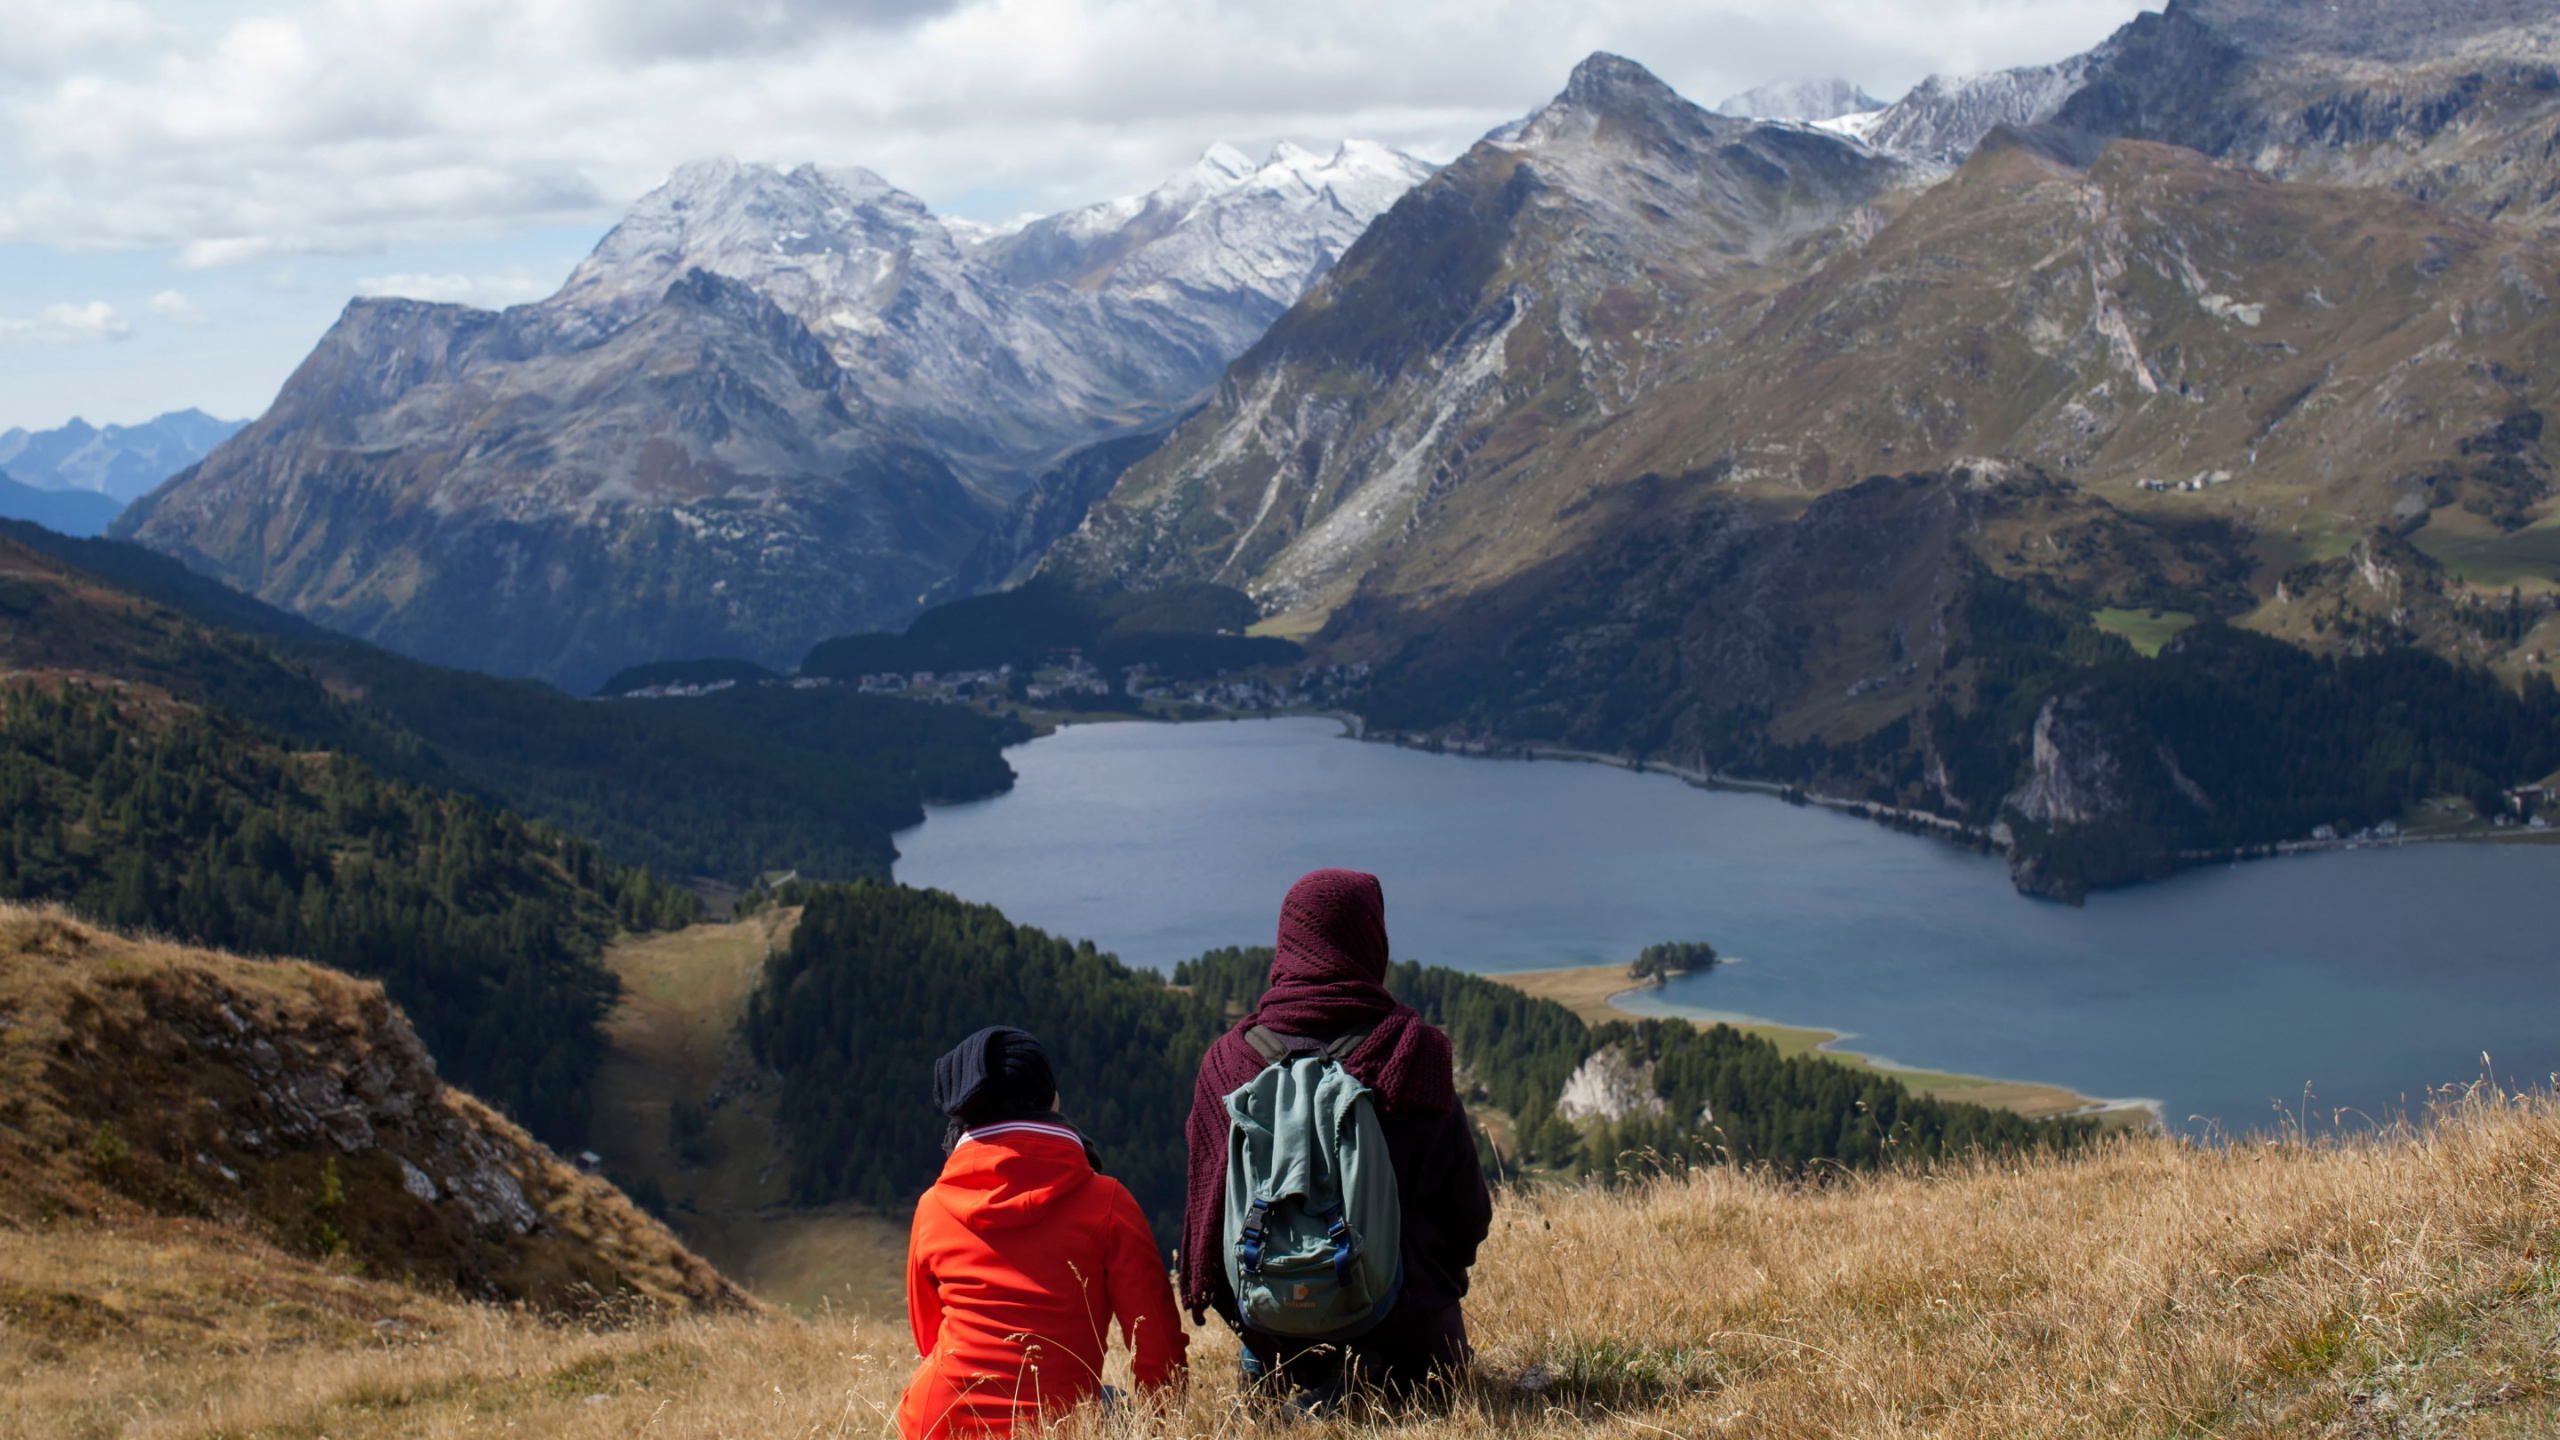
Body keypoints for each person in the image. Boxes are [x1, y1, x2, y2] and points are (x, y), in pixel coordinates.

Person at [1182, 868, 1493, 1405]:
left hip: (1273, 1335)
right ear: (1371, 940)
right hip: (1410, 1338)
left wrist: (1265, 1322)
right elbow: (1468, 1214)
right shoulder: (1411, 1053)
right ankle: (1375, 1374)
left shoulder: (1226, 1064)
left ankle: (1280, 1374)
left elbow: (1207, 1230)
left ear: (1289, 942)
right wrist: (1421, 1297)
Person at [897, 1026, 1187, 1439]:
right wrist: (1159, 1426)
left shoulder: (932, 1206)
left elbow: (928, 1338)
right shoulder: (1107, 1202)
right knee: (1114, 1404)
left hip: (938, 1423)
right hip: (1058, 1426)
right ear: (1051, 1099)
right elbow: (1158, 1343)